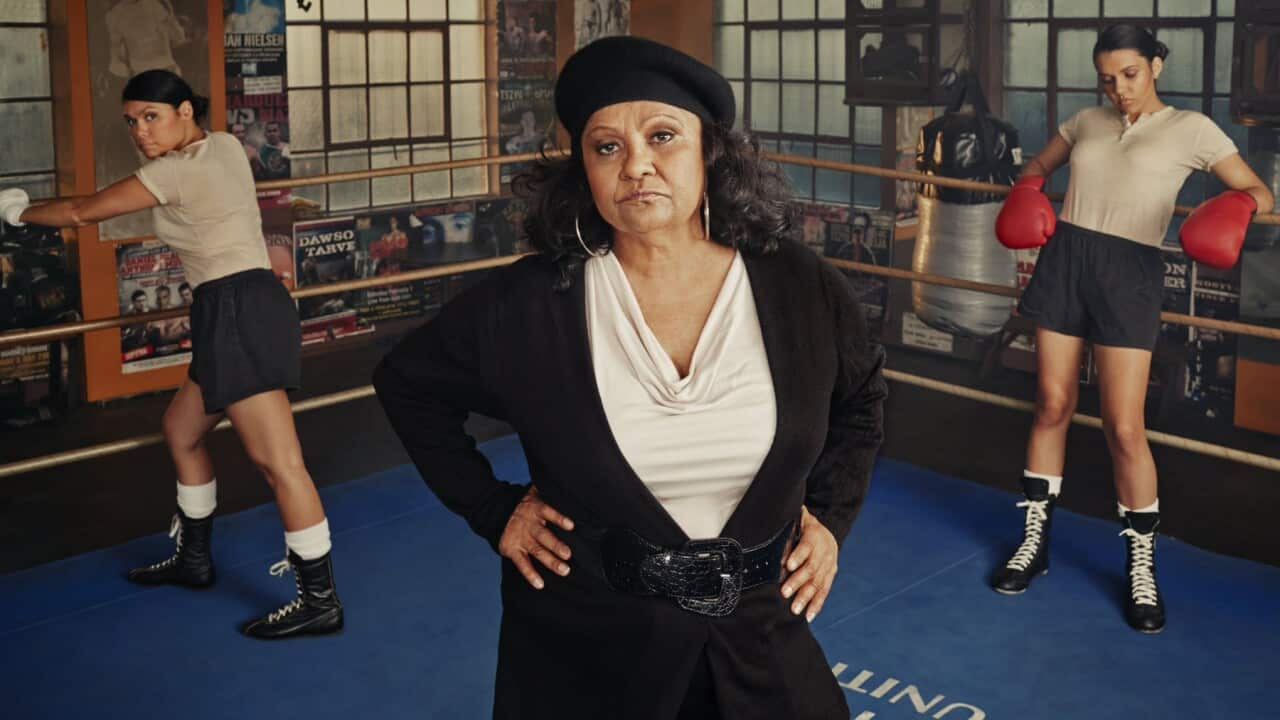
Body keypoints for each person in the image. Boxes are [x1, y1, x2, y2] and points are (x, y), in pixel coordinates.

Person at [372, 36, 887, 719]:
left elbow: (860, 403)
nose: (636, 165)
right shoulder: (530, 304)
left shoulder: (798, 284)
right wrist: (491, 508)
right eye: (606, 146)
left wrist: (829, 518)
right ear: (583, 168)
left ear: (708, 152)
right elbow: (407, 383)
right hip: (585, 650)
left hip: (761, 635)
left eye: (663, 136)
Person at [0, 70, 344, 639]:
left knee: (278, 462)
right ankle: (194, 559)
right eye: (132, 121)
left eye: (151, 117)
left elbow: (84, 212)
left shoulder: (176, 170)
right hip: (233, 307)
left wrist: (14, 212)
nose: (140, 131)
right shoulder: (226, 145)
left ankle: (319, 599)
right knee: (181, 429)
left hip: (238, 311)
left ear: (186, 111)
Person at [991, 23, 1273, 634]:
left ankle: (1141, 566)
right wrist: (1031, 188)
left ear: (1156, 65)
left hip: (1132, 271)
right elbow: (1037, 165)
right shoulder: (1086, 122)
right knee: (1052, 403)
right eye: (1107, 78)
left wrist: (1239, 206)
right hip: (1066, 258)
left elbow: (1259, 190)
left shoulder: (1192, 130)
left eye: (1130, 74)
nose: (1118, 89)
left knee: (1124, 426)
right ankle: (1033, 545)